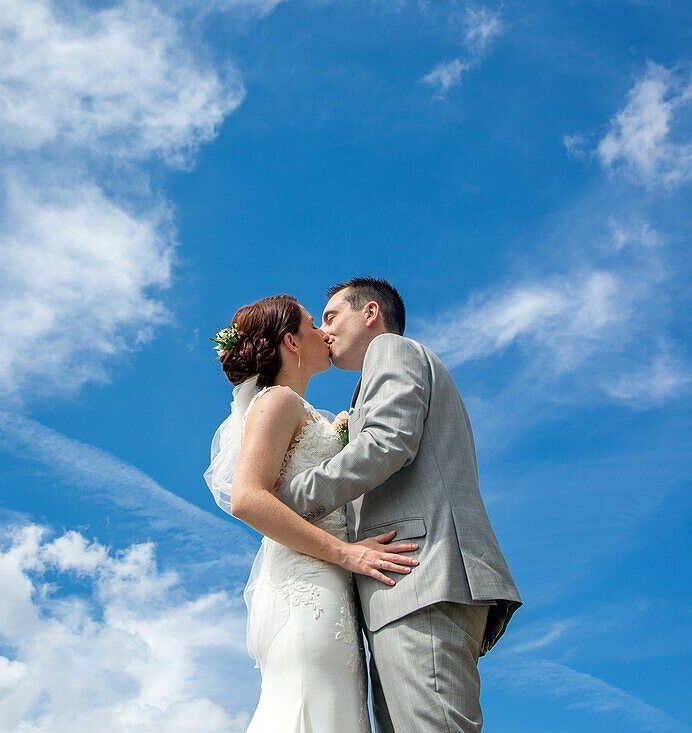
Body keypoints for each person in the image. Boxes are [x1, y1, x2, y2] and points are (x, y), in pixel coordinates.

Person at [278, 277, 523, 732]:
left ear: (370, 313)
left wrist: (287, 499)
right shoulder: (376, 376)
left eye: (331, 316)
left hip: (419, 578)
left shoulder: (391, 350)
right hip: (400, 588)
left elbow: (388, 442)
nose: (324, 331)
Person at [205, 293, 419, 732]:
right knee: (308, 707)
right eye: (311, 323)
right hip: (309, 585)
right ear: (291, 341)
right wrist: (348, 553)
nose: (324, 332)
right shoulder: (276, 401)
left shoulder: (301, 410)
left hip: (332, 589)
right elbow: (248, 498)